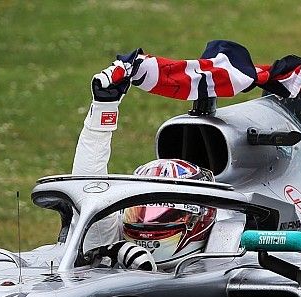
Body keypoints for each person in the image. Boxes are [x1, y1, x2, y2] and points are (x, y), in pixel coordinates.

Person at [72, 51, 217, 272]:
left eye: (163, 216)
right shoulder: (108, 248)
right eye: (139, 213)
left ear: (196, 220)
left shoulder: (233, 257)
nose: (147, 226)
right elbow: (87, 187)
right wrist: (104, 107)